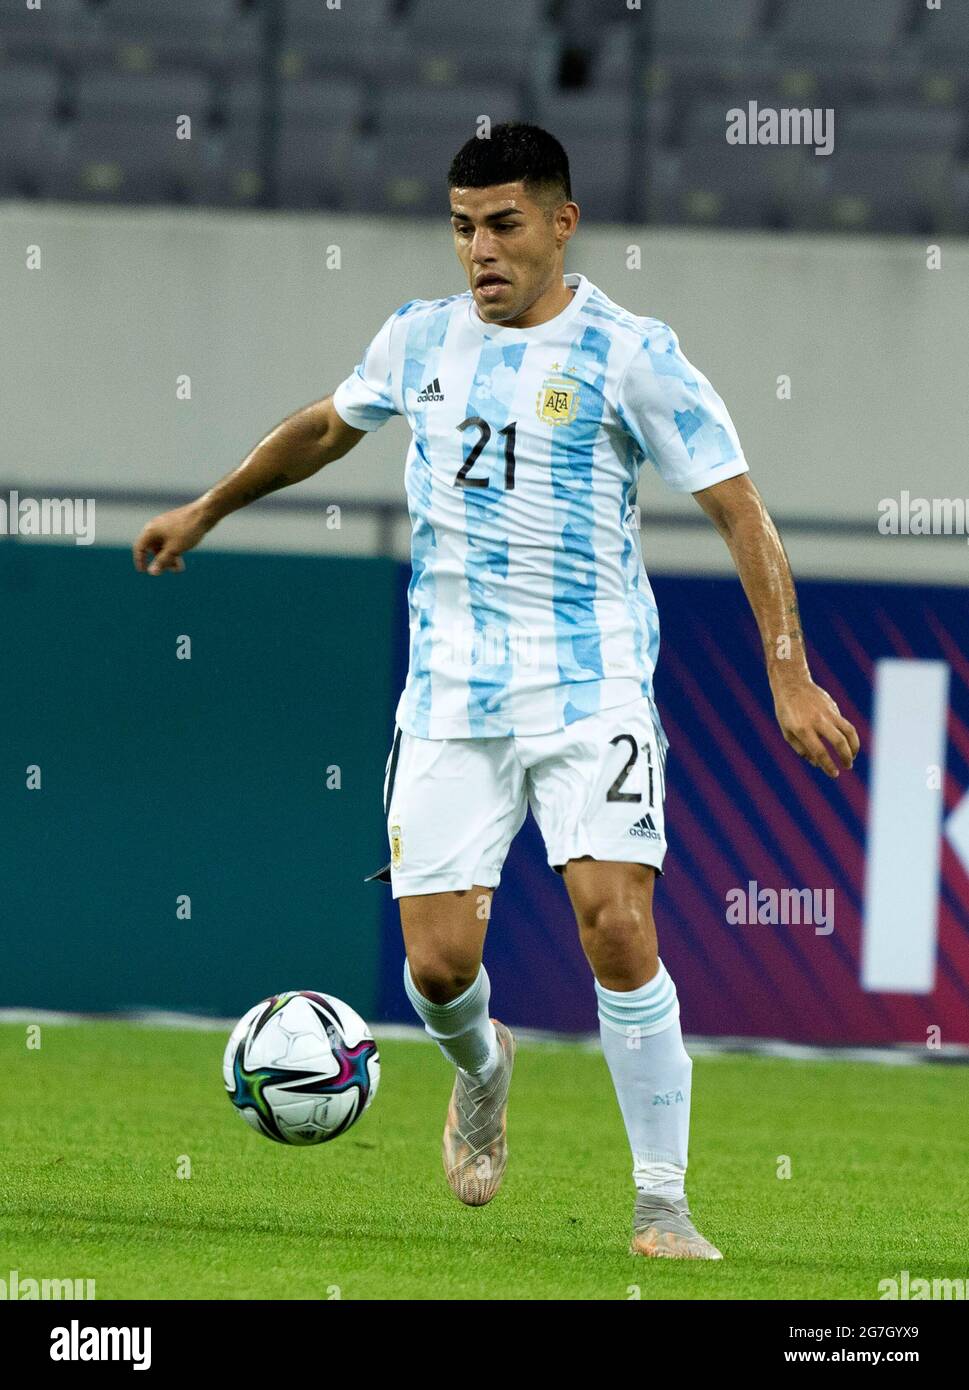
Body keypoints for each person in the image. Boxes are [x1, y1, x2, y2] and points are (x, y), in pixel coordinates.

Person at [133, 122, 859, 1260]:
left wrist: (790, 671)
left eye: (505, 225)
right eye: (465, 226)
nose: (481, 249)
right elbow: (327, 428)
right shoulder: (418, 339)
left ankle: (661, 1204)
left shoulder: (632, 354)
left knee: (617, 927)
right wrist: (206, 509)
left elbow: (739, 506)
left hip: (591, 686)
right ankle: (483, 1065)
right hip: (450, 698)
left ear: (562, 226)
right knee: (438, 964)